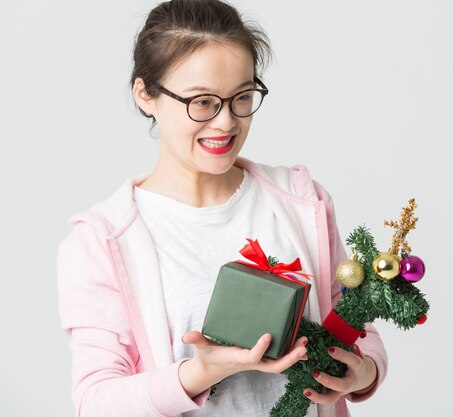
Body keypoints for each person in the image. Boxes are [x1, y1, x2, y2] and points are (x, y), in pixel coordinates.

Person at [56, 1, 388, 416]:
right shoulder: (102, 240)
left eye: (242, 97)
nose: (226, 122)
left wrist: (364, 372)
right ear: (145, 95)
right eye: (202, 102)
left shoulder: (301, 201)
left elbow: (354, 323)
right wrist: (197, 374)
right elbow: (95, 401)